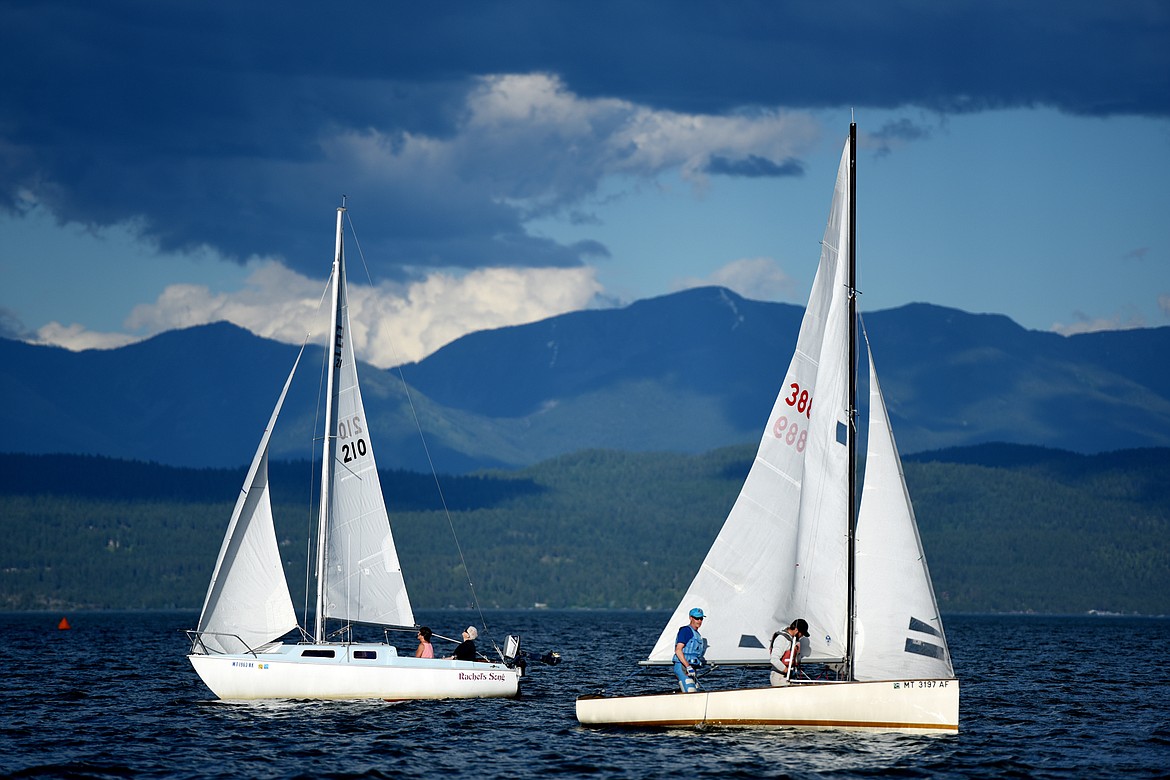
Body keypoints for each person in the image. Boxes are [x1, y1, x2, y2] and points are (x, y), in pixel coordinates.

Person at [672, 607, 708, 693]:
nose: (699, 621)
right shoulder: (685, 631)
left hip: (691, 668)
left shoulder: (697, 634)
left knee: (694, 689)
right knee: (690, 690)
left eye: (701, 618)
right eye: (696, 618)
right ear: (691, 618)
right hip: (683, 667)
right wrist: (688, 666)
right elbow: (678, 650)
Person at [769, 618, 809, 687]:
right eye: (801, 634)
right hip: (779, 677)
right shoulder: (782, 639)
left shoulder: (792, 640)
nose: (802, 636)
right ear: (796, 630)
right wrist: (786, 670)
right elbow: (774, 659)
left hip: (787, 676)